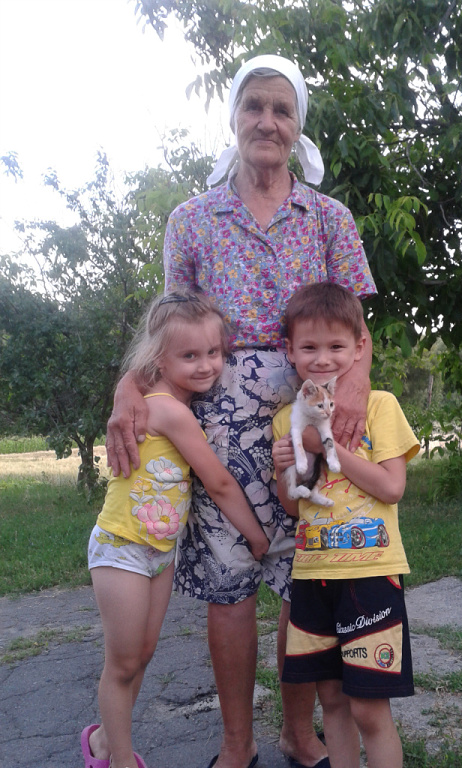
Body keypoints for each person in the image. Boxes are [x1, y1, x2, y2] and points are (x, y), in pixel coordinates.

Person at [106, 54, 378, 768]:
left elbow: (357, 326)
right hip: (216, 426)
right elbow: (168, 329)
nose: (266, 121)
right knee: (229, 587)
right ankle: (237, 743)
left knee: (301, 581)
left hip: (306, 418)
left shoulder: (329, 217)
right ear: (233, 117)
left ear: (297, 126)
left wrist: (353, 388)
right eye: (254, 106)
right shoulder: (192, 219)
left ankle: (296, 731)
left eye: (281, 110)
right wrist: (129, 385)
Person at [83, 291, 269, 768]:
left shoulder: (165, 402)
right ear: (158, 359)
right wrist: (256, 535)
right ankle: (119, 760)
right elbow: (219, 483)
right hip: (123, 546)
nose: (206, 365)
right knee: (123, 662)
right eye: (190, 356)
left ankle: (102, 739)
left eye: (214, 352)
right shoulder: (168, 410)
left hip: (160, 551)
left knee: (142, 654)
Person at [272, 283, 420, 768]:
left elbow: (391, 487)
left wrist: (325, 447)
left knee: (369, 710)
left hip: (370, 574)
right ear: (289, 350)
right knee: (332, 703)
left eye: (336, 346)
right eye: (309, 347)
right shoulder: (286, 420)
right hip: (313, 577)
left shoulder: (381, 405)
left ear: (359, 347)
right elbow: (292, 508)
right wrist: (284, 468)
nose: (322, 359)